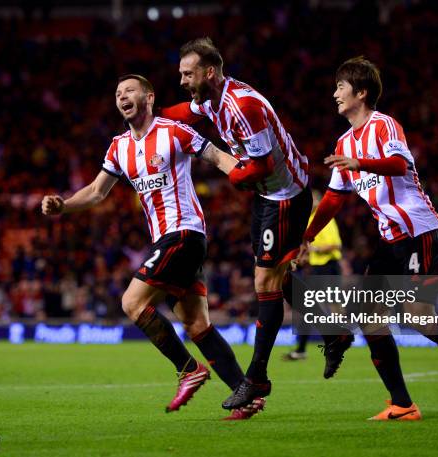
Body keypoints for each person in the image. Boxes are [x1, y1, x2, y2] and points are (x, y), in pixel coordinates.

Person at [41, 74, 264, 420]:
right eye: (117, 93)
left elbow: (218, 157)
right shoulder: (119, 147)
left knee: (131, 302)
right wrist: (64, 205)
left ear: (148, 96)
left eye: (129, 90)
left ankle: (189, 369)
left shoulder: (173, 131)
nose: (121, 96)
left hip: (185, 233)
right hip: (169, 240)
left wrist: (256, 175)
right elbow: (98, 192)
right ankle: (246, 396)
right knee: (196, 325)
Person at [300, 56, 438, 421]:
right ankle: (402, 404)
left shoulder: (384, 126)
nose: (334, 94)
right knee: (370, 318)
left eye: (340, 88)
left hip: (419, 233)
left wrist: (360, 165)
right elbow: (333, 198)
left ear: (361, 93)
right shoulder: (344, 141)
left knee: (419, 316)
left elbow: (399, 165)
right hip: (389, 242)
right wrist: (306, 237)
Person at [160, 37, 353, 410]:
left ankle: (257, 378)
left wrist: (232, 177)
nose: (183, 79)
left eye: (188, 73)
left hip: (285, 194)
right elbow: (185, 111)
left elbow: (261, 165)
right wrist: (153, 115)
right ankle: (334, 333)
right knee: (276, 278)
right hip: (268, 195)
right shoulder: (210, 99)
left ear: (210, 72)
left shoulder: (242, 106)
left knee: (265, 281)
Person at [283, 190, 344, 361]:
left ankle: (332, 343)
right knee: (319, 308)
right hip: (320, 269)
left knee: (312, 307)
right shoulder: (310, 220)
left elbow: (335, 245)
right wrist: (303, 257)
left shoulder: (323, 219)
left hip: (327, 268)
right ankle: (335, 341)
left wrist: (314, 250)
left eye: (314, 200)